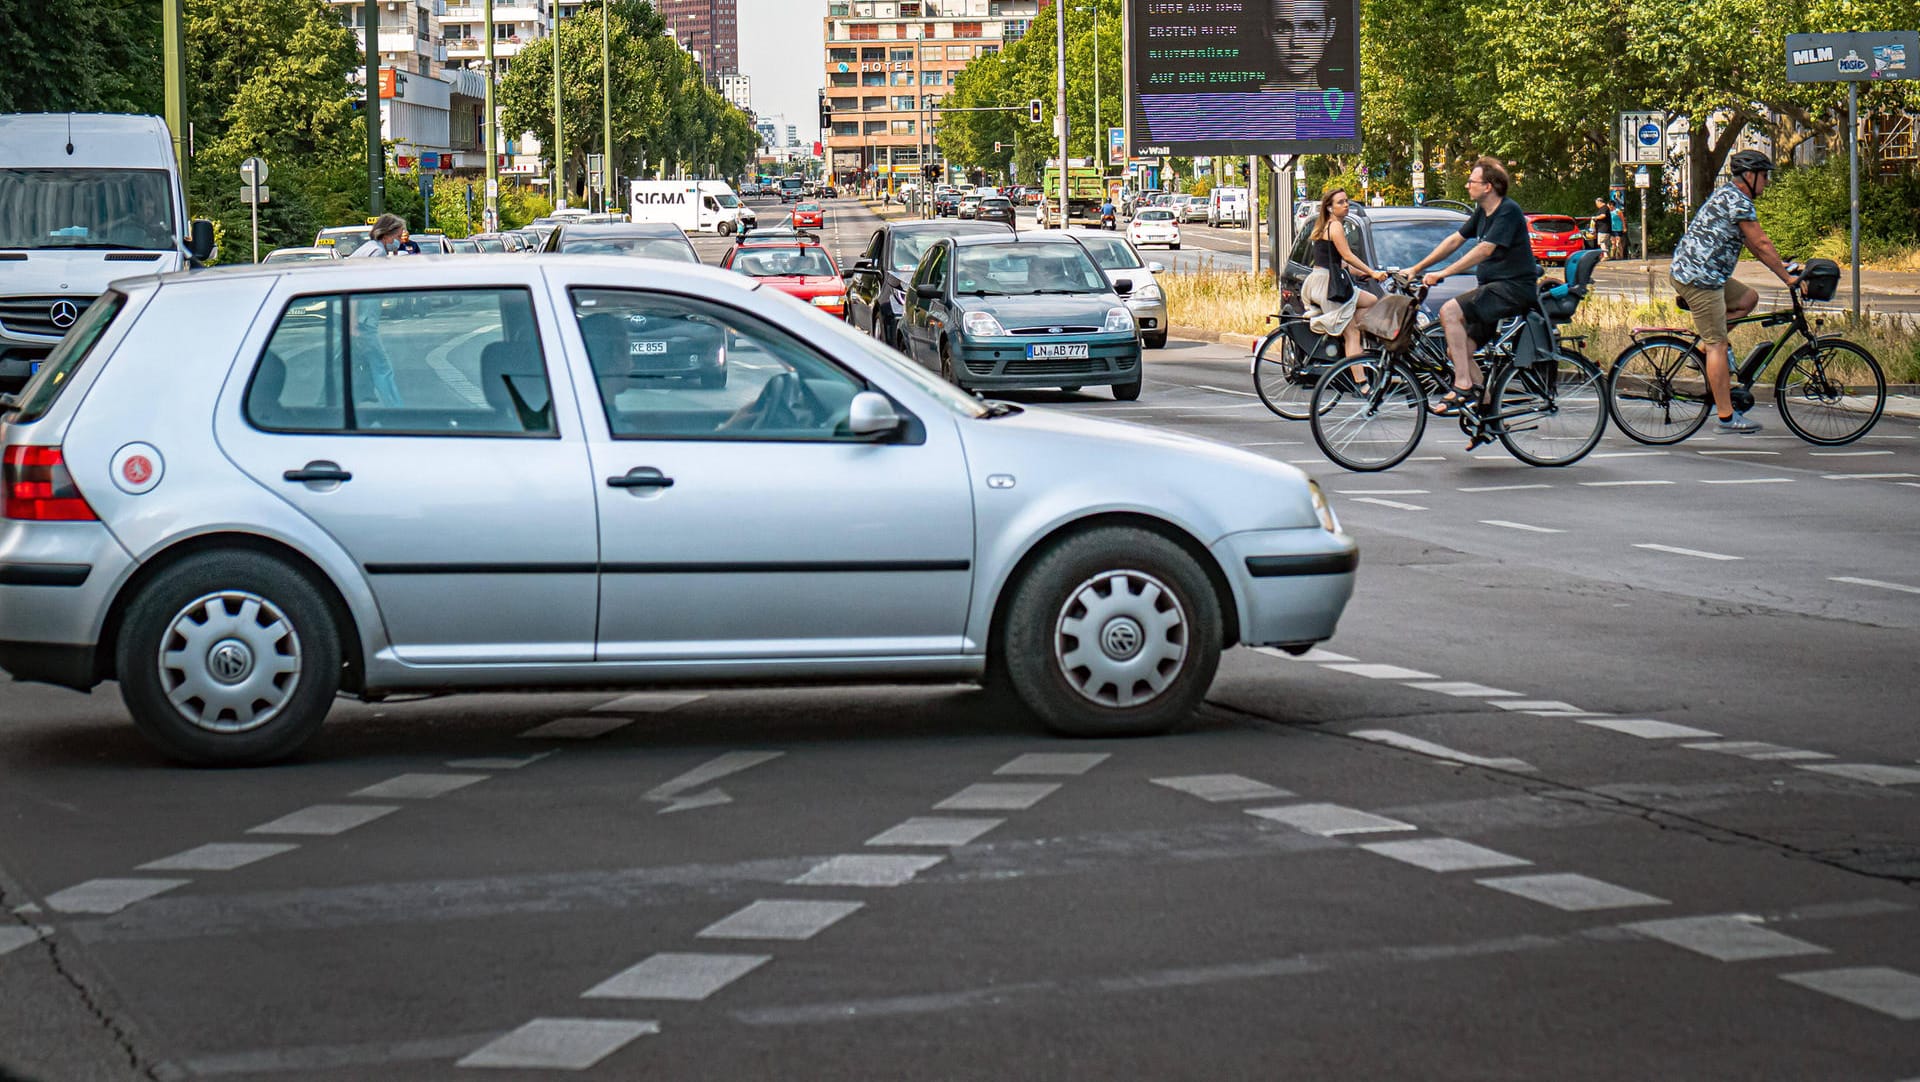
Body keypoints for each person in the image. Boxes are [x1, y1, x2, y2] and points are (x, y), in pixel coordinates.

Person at [1668, 149, 1796, 434]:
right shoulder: (1738, 201)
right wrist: (1788, 279)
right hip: (1700, 278)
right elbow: (1760, 243)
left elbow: (1755, 244)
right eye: (1764, 176)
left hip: (1702, 273)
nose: (1766, 182)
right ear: (1749, 176)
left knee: (1748, 298)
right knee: (1719, 345)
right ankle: (1726, 417)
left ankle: (1702, 349)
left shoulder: (1731, 195)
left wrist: (1783, 266)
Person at [1406, 157, 1539, 420]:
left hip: (1511, 289)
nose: (1467, 185)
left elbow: (1484, 249)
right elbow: (1455, 240)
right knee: (1458, 351)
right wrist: (1417, 267)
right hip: (1492, 289)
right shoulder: (1482, 212)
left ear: (1489, 186)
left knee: (1449, 312)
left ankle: (1464, 384)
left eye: (1472, 181)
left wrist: (1443, 273)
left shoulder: (1508, 211)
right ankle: (1487, 411)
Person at [1301, 188, 1387, 365]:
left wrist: (1361, 272)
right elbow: (1347, 255)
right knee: (1352, 334)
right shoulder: (1336, 226)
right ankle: (1361, 384)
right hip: (1328, 286)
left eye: (1346, 201)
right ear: (1330, 208)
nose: (1346, 205)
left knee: (1370, 301)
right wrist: (1372, 273)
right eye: (1340, 202)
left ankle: (1344, 328)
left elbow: (1338, 263)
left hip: (1318, 281)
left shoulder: (1324, 226)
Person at [1263, 0, 1335, 91]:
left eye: (1310, 27)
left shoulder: (1336, 101)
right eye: (1282, 28)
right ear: (1266, 30)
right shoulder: (1249, 102)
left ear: (1330, 30)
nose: (1296, 42)